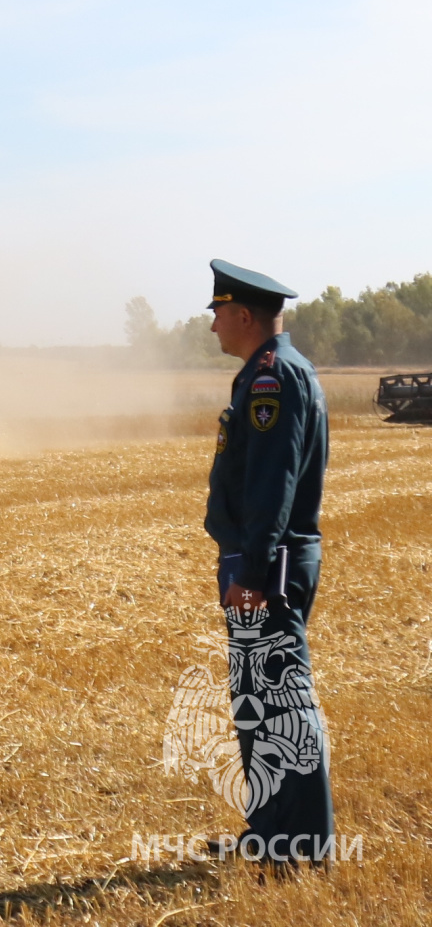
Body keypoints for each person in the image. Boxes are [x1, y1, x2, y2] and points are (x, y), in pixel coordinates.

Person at [202, 258, 333, 866]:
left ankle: (300, 848)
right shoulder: (276, 371)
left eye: (218, 313)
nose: (213, 327)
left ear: (244, 315)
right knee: (262, 705)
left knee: (280, 705)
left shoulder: (272, 378)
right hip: (268, 558)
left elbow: (272, 486)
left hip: (268, 565)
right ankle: (273, 835)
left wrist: (253, 573)